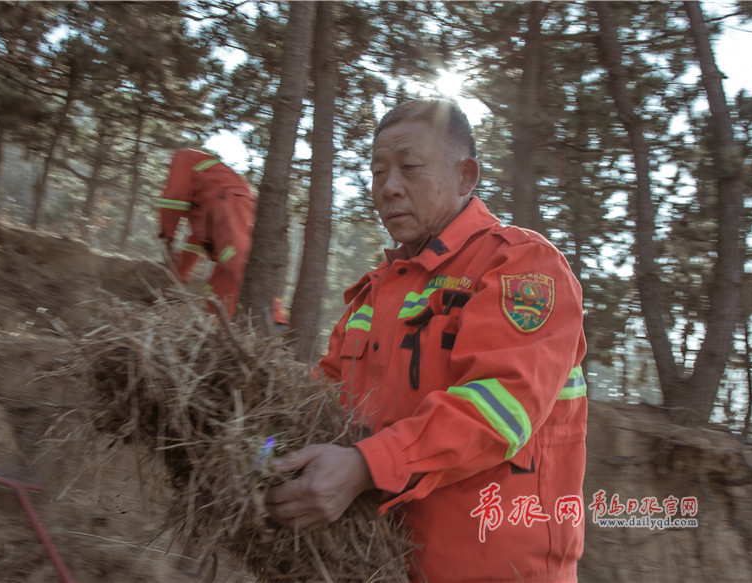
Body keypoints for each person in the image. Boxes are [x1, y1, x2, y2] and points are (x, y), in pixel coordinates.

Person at [264, 100, 588, 583]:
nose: (388, 187)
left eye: (409, 167)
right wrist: (263, 453)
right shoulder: (371, 296)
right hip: (379, 566)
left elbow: (498, 407)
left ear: (466, 177)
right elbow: (315, 405)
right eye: (377, 172)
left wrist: (366, 467)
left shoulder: (522, 267)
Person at [157, 149, 257, 322]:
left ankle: (273, 317)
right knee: (221, 280)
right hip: (229, 201)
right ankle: (223, 330)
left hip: (228, 200)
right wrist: (180, 275)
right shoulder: (199, 201)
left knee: (237, 260)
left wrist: (167, 231)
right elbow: (194, 242)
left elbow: (173, 197)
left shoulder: (183, 156)